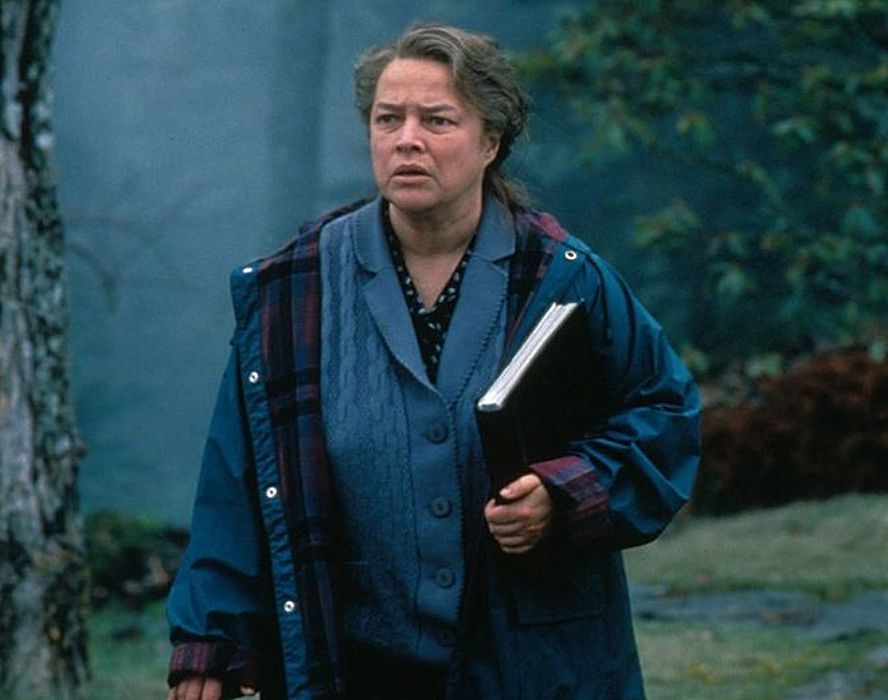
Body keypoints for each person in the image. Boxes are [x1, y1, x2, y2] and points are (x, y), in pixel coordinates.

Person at [165, 22, 701, 700]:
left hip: (533, 666)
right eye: (388, 119)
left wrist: (566, 496)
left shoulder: (563, 278)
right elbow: (235, 483)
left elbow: (665, 412)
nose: (407, 139)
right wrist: (208, 648)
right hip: (356, 668)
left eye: (438, 120)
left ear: (491, 142)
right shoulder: (290, 291)